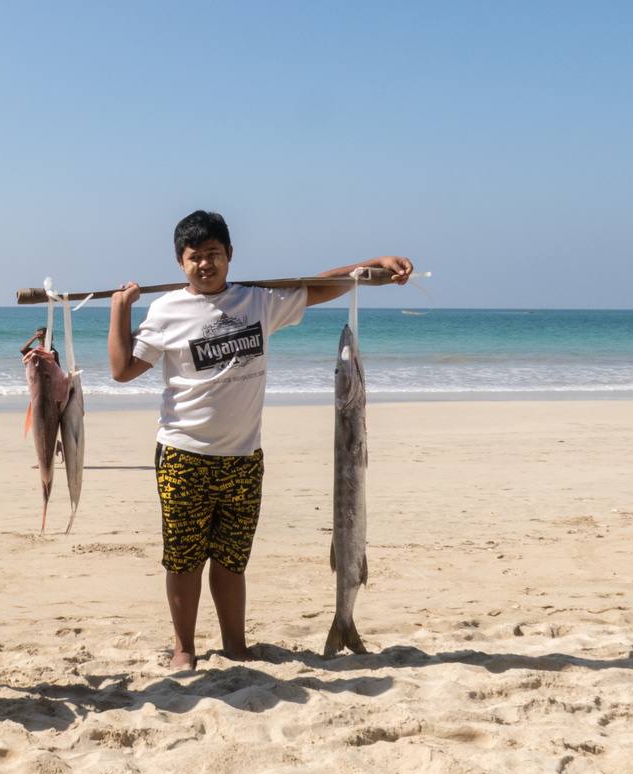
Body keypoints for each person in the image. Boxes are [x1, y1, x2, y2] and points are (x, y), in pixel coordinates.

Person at [108, 210, 412, 670]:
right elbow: (122, 370)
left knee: (232, 559)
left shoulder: (258, 302)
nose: (205, 265)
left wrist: (375, 266)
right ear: (180, 262)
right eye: (195, 258)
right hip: (183, 454)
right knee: (184, 559)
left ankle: (235, 646)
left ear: (230, 255)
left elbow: (315, 286)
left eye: (213, 254)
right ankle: (183, 648)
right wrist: (120, 311)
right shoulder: (166, 310)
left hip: (244, 458)